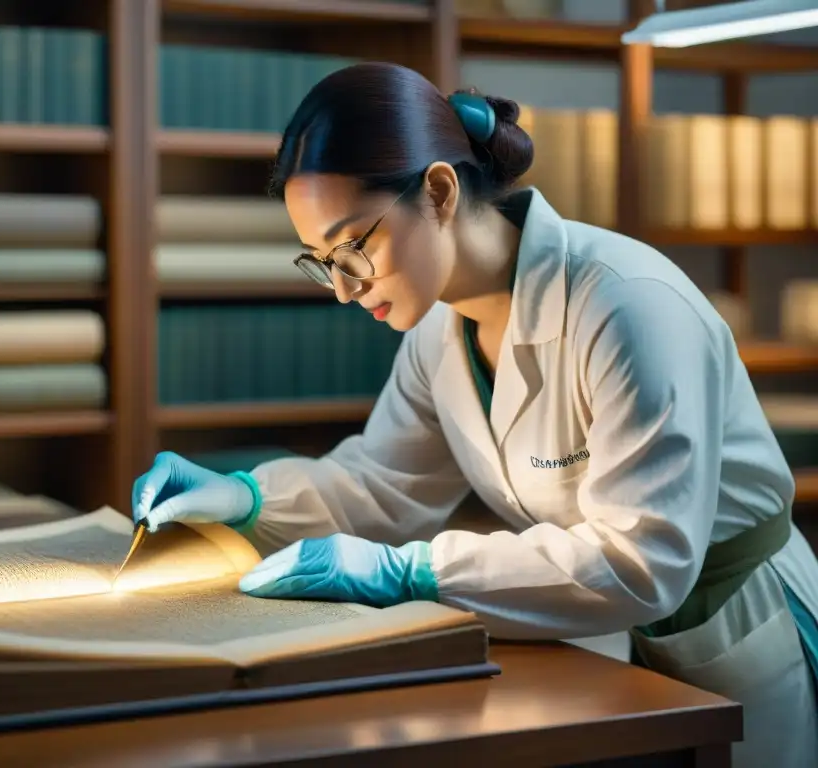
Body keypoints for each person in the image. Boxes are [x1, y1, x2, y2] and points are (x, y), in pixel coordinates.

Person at [133, 62, 818, 767]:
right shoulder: (441, 329)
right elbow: (381, 486)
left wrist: (412, 574)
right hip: (611, 642)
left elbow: (641, 558)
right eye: (320, 261)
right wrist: (244, 498)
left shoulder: (626, 303)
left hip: (740, 624)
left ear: (437, 191)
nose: (342, 289)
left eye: (352, 248)